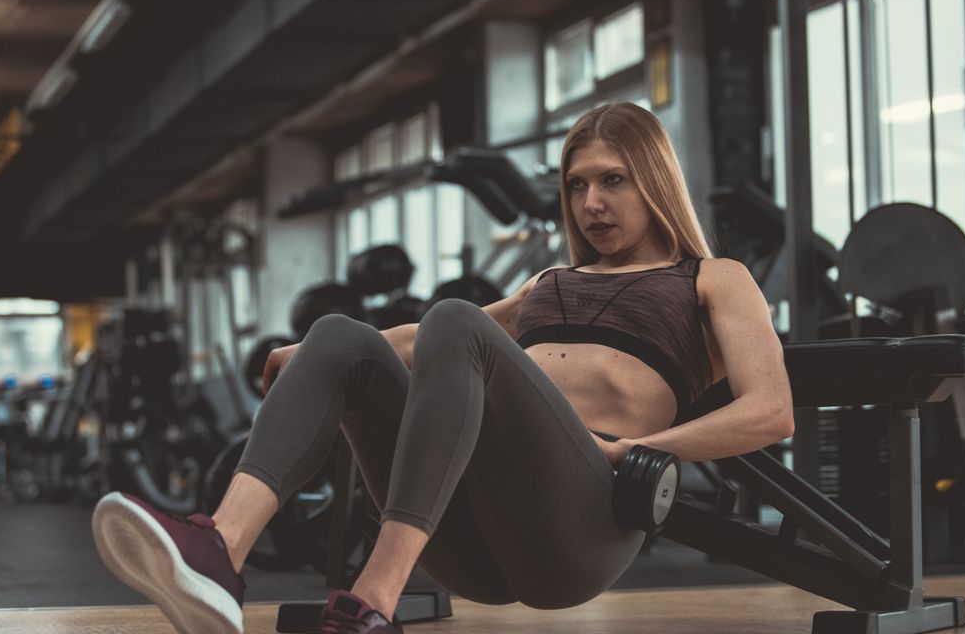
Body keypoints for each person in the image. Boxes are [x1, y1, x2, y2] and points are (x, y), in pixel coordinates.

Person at [91, 102, 794, 634]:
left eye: (613, 181)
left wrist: (640, 449)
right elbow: (413, 342)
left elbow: (770, 410)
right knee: (343, 332)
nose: (592, 204)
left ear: (655, 180)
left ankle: (370, 602)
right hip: (475, 535)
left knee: (451, 319)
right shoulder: (549, 281)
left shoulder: (711, 279)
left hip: (584, 519)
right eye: (577, 185)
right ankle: (219, 552)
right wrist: (315, 357)